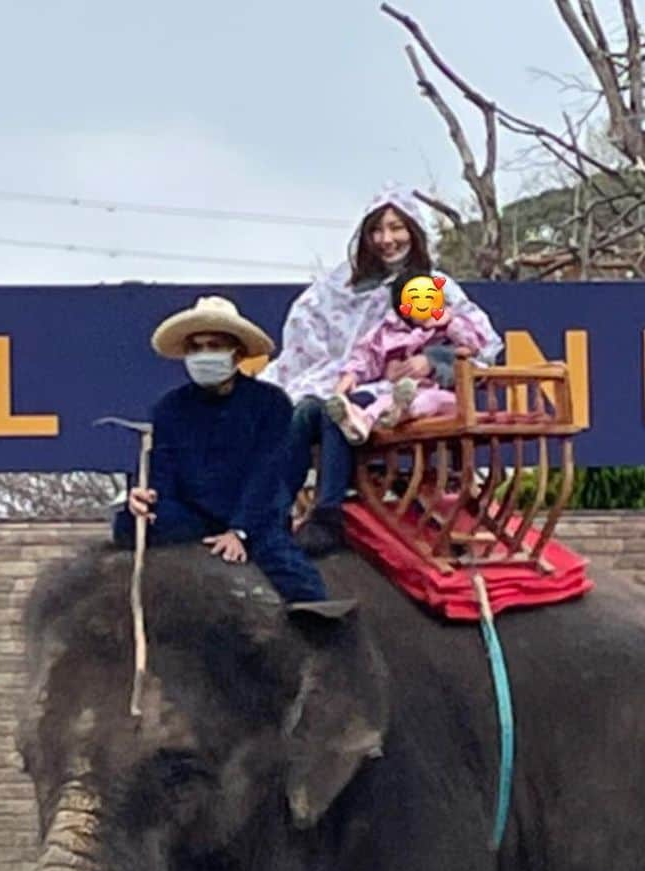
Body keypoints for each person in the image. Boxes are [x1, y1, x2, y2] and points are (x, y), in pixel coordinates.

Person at [259, 185, 502, 555]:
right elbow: (354, 343)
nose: (386, 239)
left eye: (396, 228)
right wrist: (348, 373)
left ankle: (328, 515)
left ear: (414, 231)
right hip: (363, 381)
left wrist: (433, 360)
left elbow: (481, 343)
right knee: (306, 409)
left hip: (418, 391)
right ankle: (274, 512)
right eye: (377, 230)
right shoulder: (343, 286)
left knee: (332, 412)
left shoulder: (435, 287)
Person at [112, 295, 348, 614]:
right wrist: (145, 499)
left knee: (290, 571)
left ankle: (322, 620)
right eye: (196, 347)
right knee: (127, 523)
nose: (204, 354)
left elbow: (269, 474)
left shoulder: (271, 403)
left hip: (254, 513)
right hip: (192, 515)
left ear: (236, 352)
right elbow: (160, 471)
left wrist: (240, 530)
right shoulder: (169, 408)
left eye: (214, 345)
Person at [324, 270, 488, 443]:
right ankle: (362, 421)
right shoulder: (390, 332)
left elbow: (475, 345)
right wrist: (351, 374)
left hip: (447, 397)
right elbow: (366, 354)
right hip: (401, 392)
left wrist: (450, 324)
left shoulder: (449, 328)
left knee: (428, 400)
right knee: (385, 399)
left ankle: (392, 413)